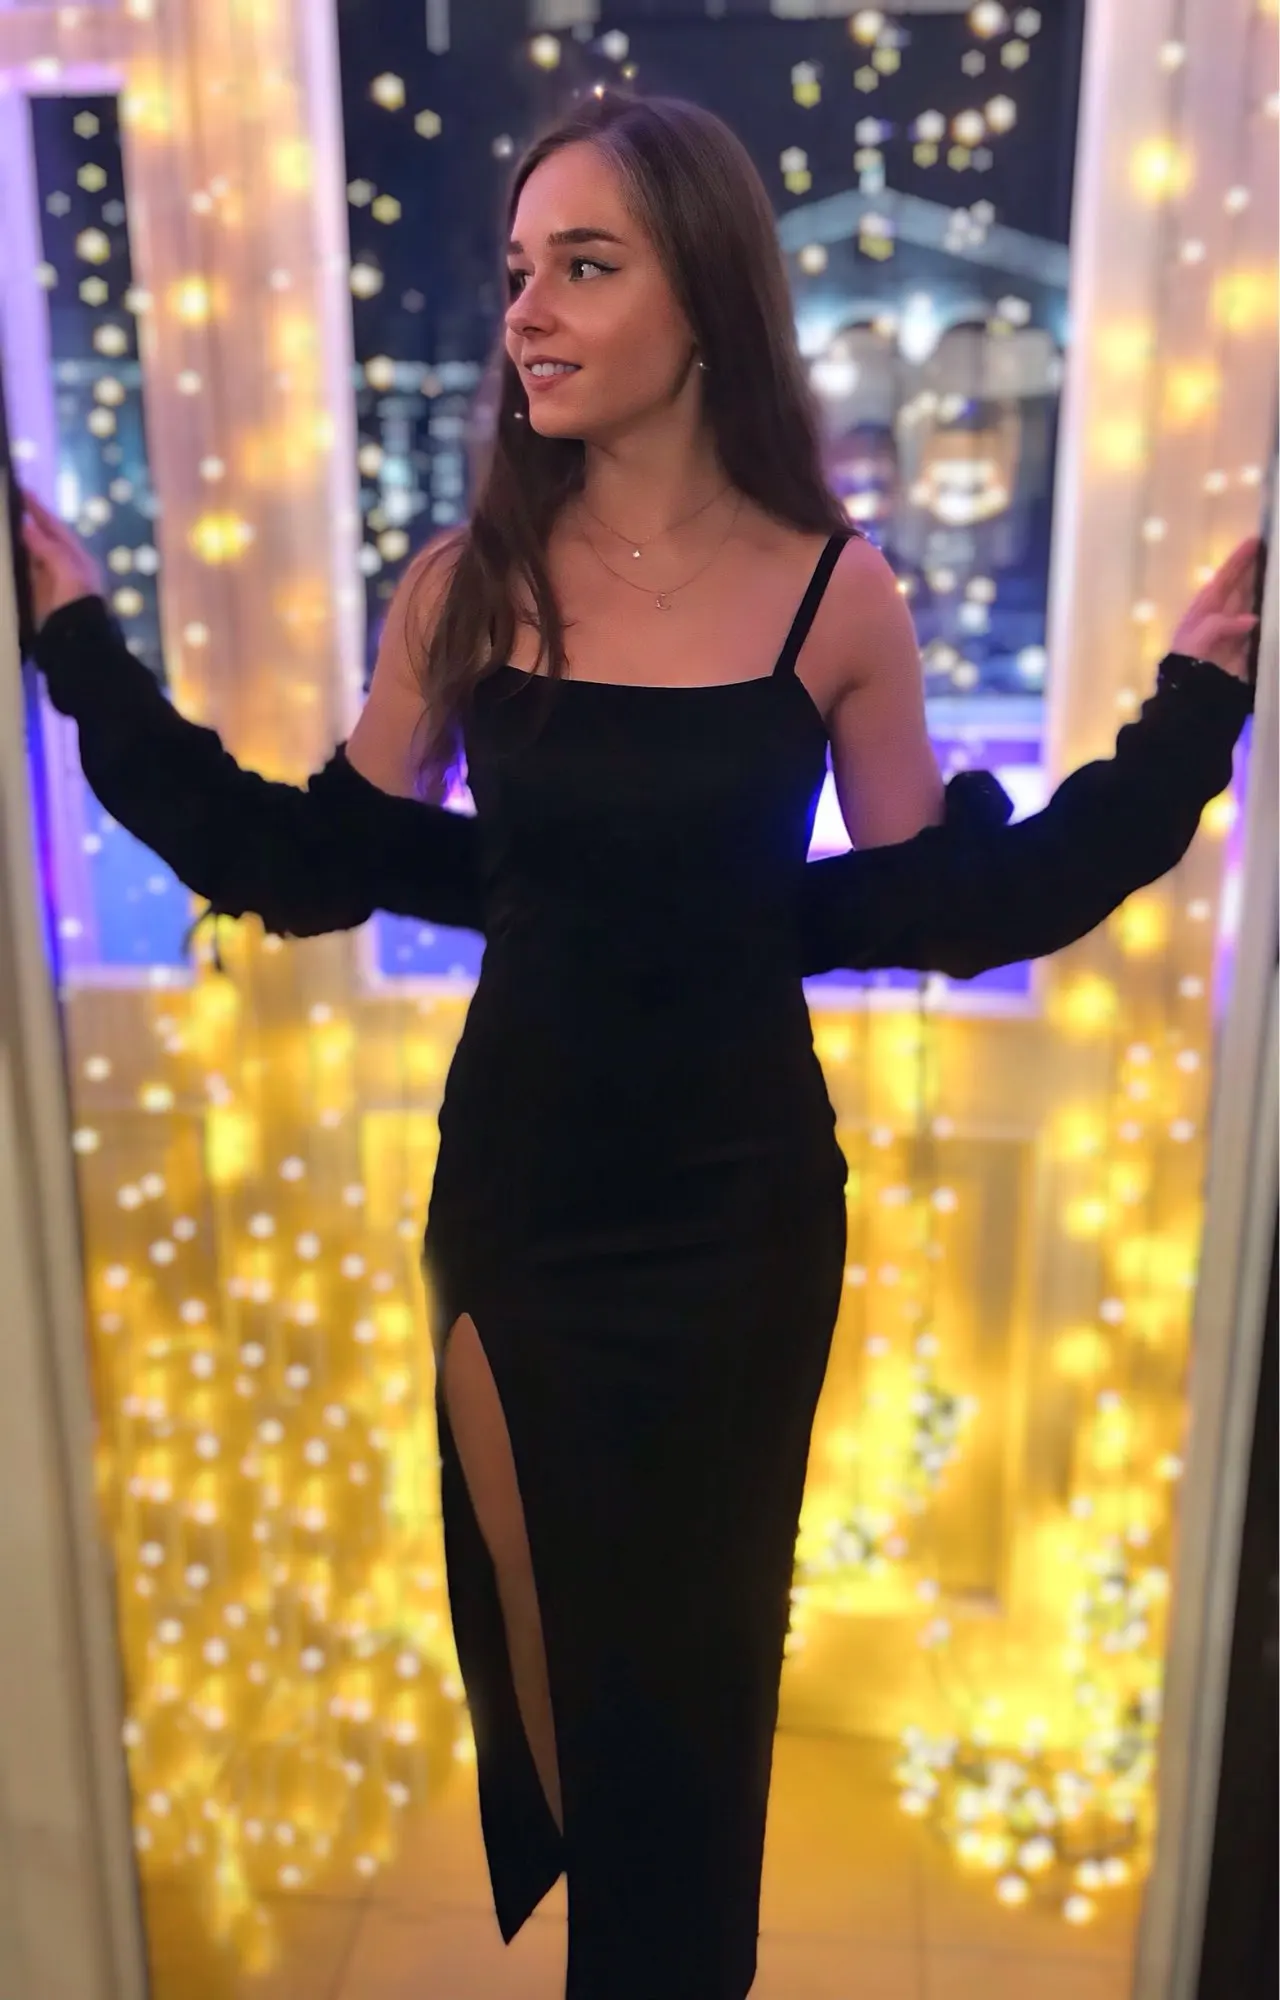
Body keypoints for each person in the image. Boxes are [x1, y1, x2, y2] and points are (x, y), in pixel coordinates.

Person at [20, 90, 1259, 2000]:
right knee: (562, 1692)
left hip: (738, 1229)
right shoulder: (464, 588)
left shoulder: (839, 589)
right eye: (520, 269)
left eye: (584, 266)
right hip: (518, 1216)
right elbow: (311, 865)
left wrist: (1191, 711)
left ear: (707, 303)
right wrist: (85, 653)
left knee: (691, 1708)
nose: (530, 309)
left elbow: (942, 905)